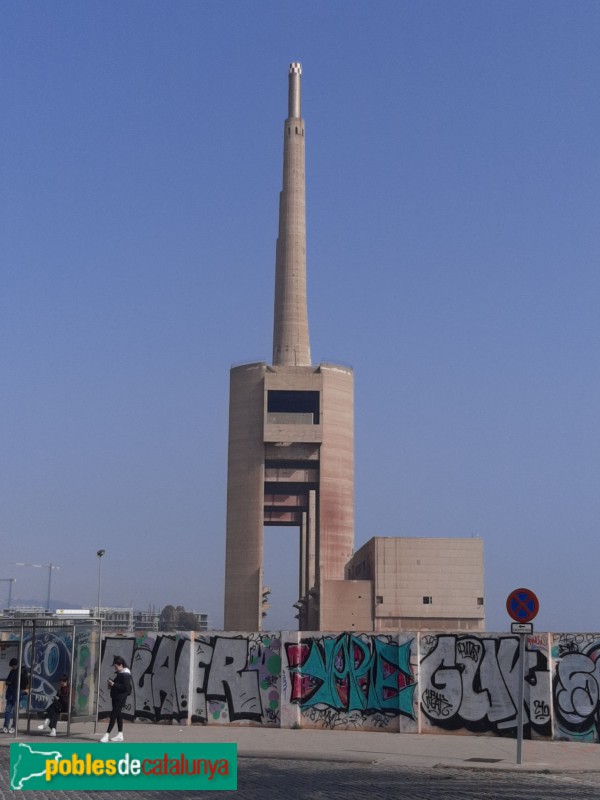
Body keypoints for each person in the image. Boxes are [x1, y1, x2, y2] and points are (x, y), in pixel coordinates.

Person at [100, 656, 132, 742]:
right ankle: (120, 734)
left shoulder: (126, 675)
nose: (115, 668)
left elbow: (126, 688)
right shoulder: (121, 673)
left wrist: (114, 684)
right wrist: (112, 684)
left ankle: (106, 735)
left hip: (120, 699)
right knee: (118, 715)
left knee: (113, 715)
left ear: (121, 665)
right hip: (116, 697)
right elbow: (119, 685)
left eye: (116, 667)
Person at [2, 658, 29, 734]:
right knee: (8, 710)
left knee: (14, 711)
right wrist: (9, 682)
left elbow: (25, 682)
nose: (12, 667)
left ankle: (14, 726)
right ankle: (6, 726)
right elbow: (8, 680)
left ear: (17, 665)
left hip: (17, 692)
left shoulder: (22, 671)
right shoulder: (12, 671)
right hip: (11, 693)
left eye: (13, 666)